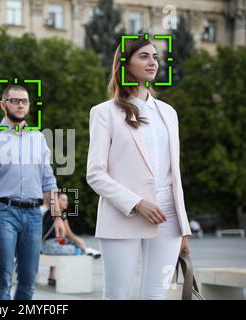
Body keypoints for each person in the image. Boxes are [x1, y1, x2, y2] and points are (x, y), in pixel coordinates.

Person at [86, 35, 191, 300]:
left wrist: (184, 228)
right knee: (117, 295)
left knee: (157, 295)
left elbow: (174, 174)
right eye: (143, 56)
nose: (152, 62)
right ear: (125, 64)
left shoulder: (168, 113)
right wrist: (137, 203)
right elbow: (95, 174)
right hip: (124, 214)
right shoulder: (104, 112)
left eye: (154, 57)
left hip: (168, 215)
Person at [0, 84, 66, 300]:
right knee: (3, 278)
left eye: (24, 101)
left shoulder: (38, 138)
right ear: (3, 105)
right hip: (3, 212)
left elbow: (48, 180)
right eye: (15, 100)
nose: (20, 104)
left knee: (28, 279)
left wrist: (57, 216)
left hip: (34, 215)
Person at [42, 192, 101, 286]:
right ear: (57, 201)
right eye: (63, 200)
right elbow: (69, 234)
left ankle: (52, 276)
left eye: (67, 200)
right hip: (49, 246)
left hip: (45, 244)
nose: (66, 202)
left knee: (69, 244)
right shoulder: (60, 214)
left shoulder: (48, 212)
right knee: (78, 249)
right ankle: (87, 252)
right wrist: (80, 243)